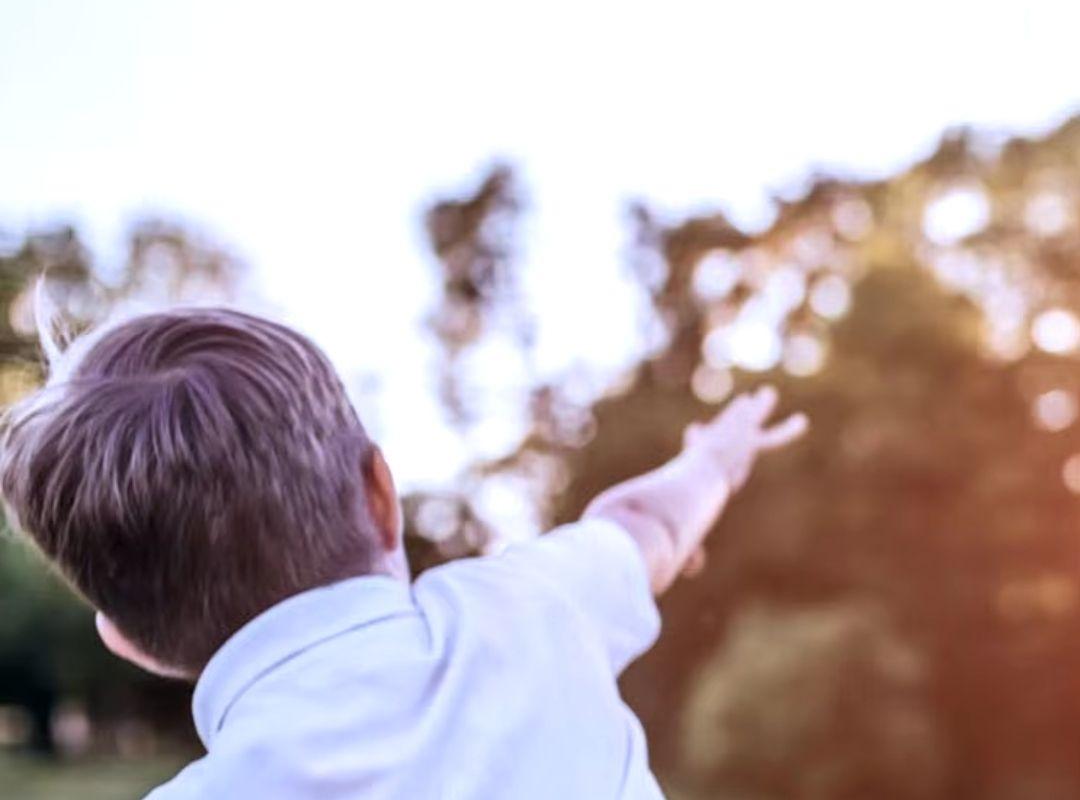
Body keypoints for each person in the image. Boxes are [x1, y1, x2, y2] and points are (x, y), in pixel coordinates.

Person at [0, 305, 807, 798]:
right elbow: (646, 525)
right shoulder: (526, 609)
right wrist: (713, 461)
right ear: (381, 492)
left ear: (125, 638)